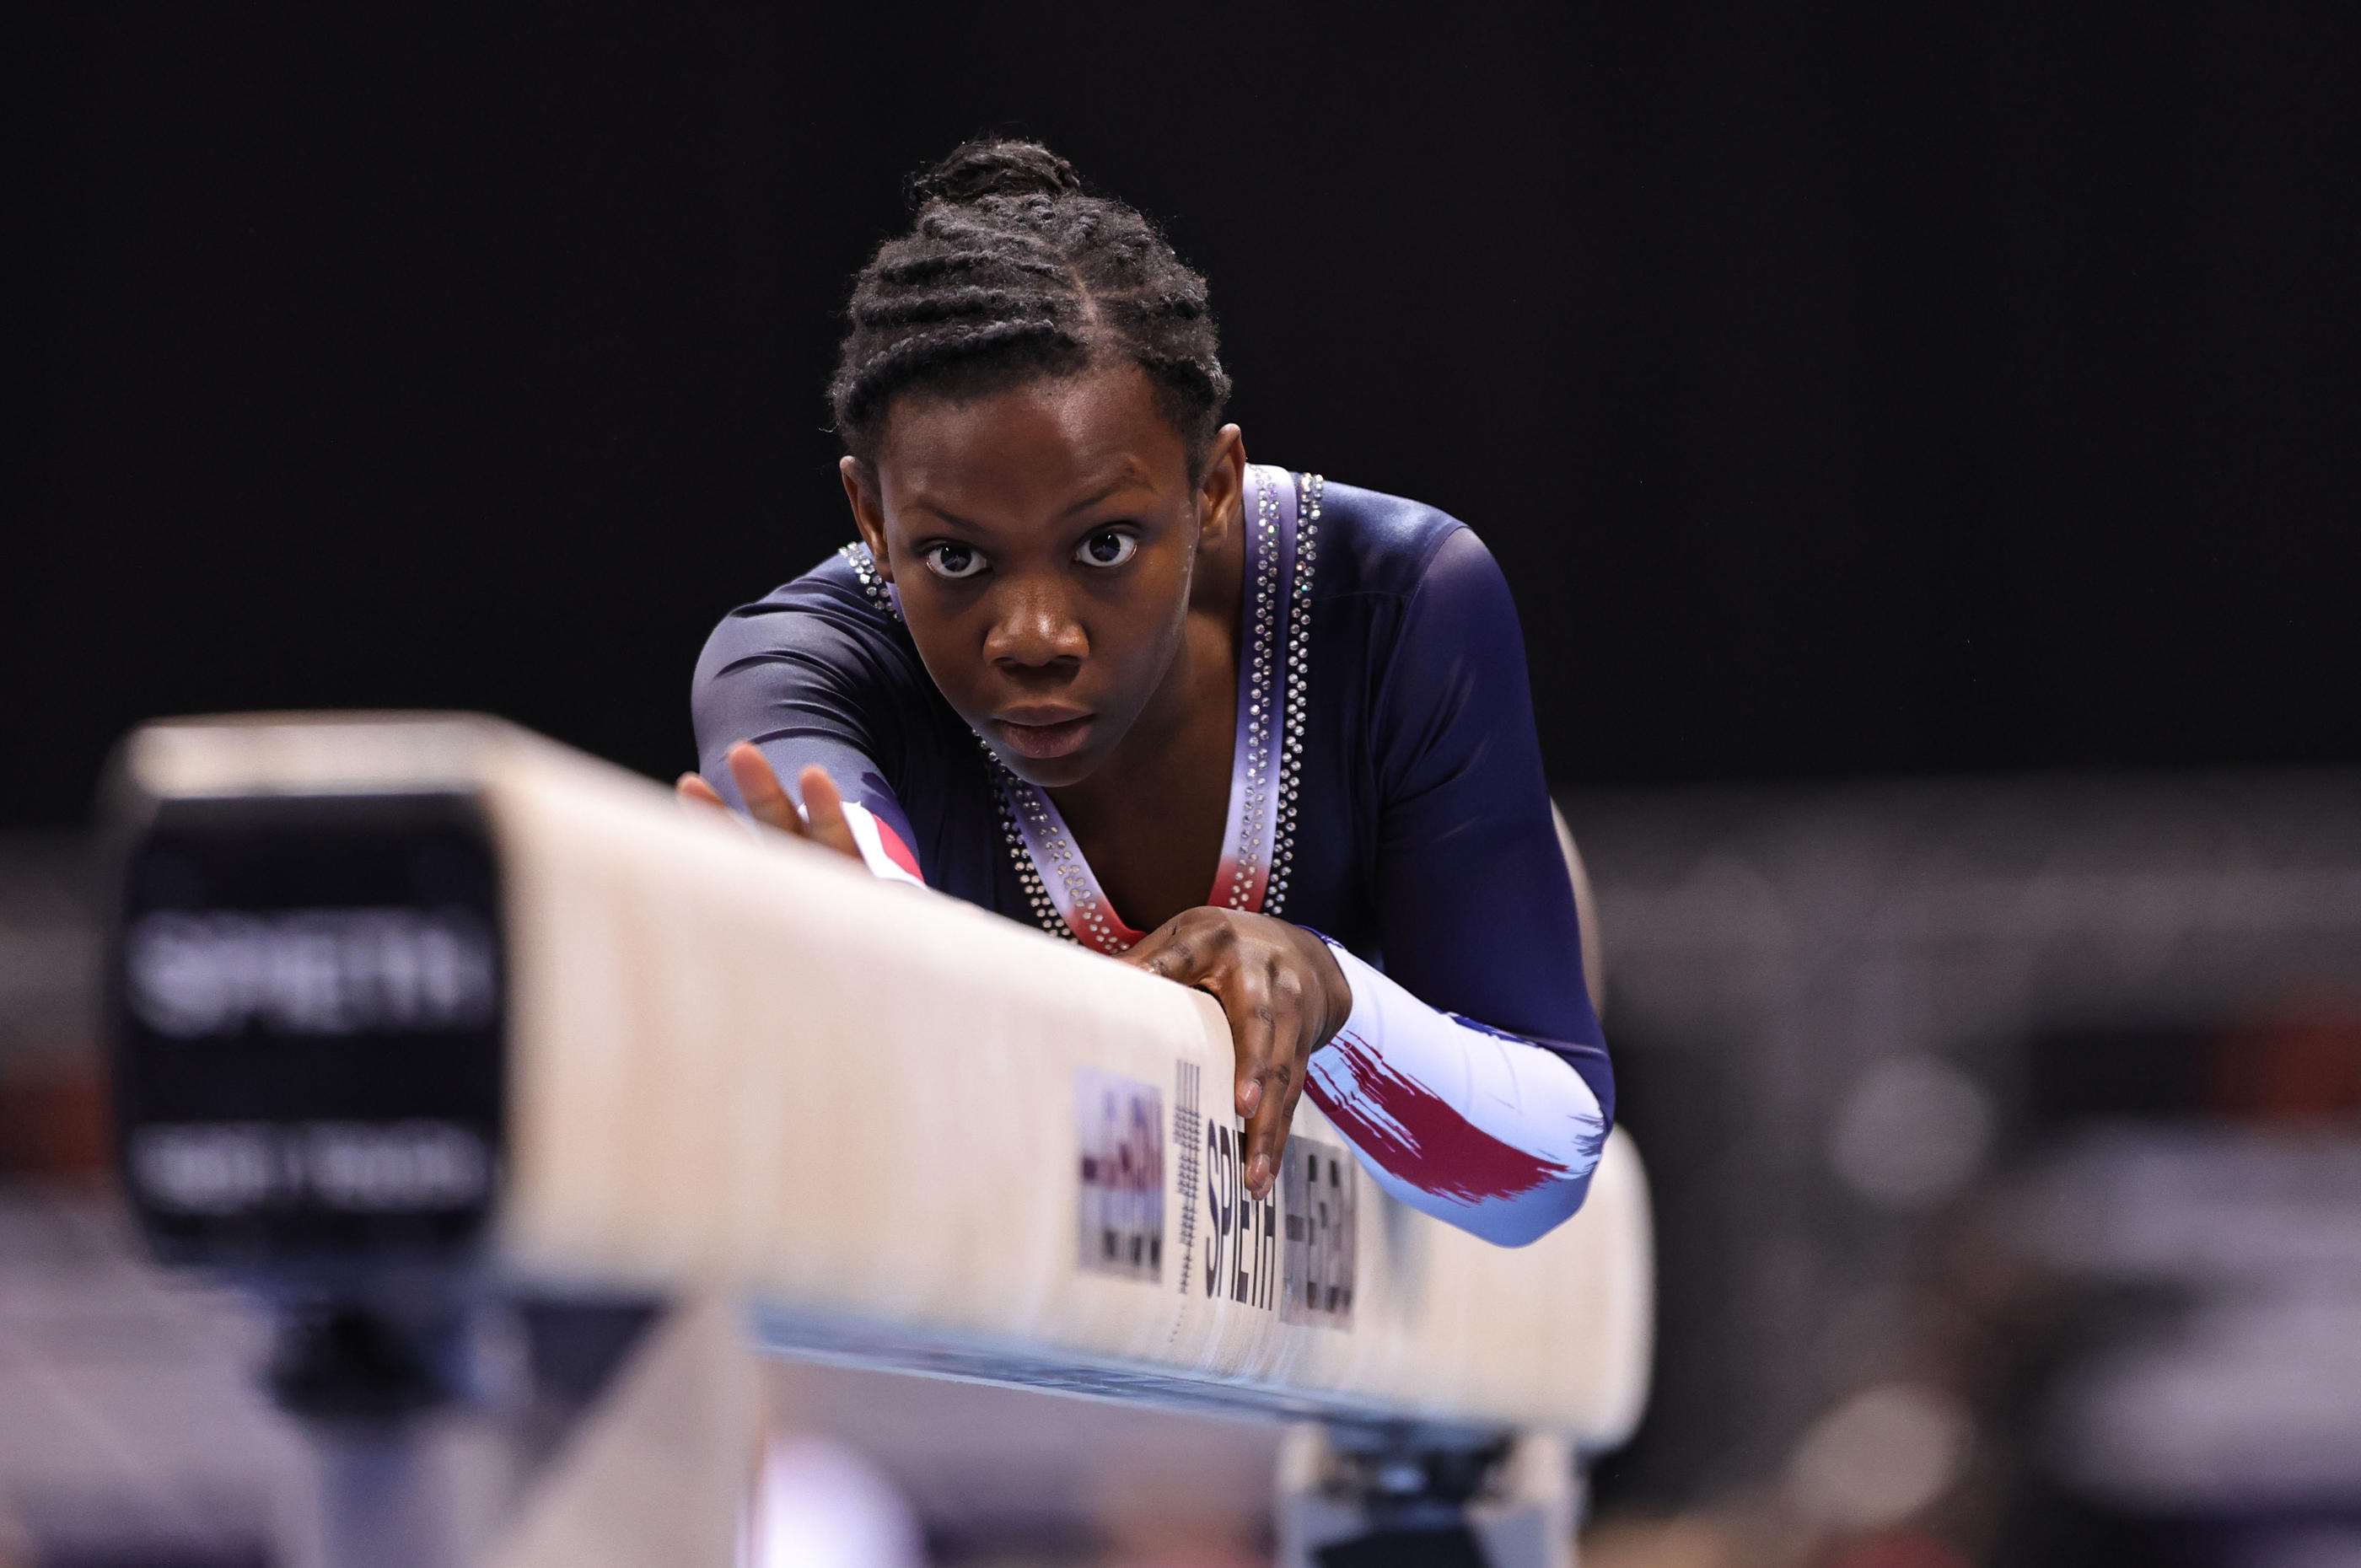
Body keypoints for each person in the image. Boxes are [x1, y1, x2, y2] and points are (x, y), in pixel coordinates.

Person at [685, 140, 1609, 1246]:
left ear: (1213, 487)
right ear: (872, 519)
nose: (1035, 638)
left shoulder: (1394, 599)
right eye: (957, 559)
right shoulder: (795, 667)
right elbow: (861, 879)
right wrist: (874, 940)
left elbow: (1547, 1174)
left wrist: (1326, 993)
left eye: (1106, 542)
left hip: (1438, 999)